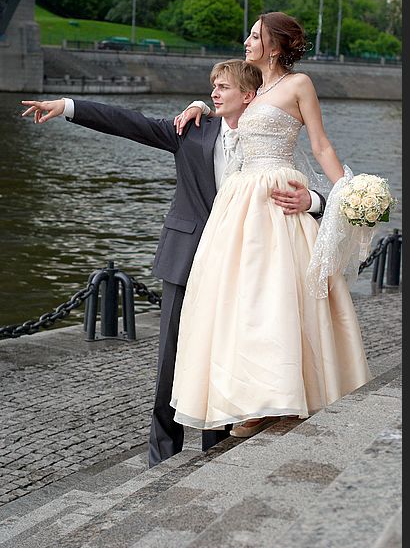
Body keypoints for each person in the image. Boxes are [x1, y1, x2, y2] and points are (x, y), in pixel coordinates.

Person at [21, 59, 325, 464]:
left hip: (244, 268)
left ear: (251, 97)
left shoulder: (272, 140)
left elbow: (304, 186)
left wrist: (317, 201)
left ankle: (217, 450)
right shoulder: (191, 129)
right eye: (212, 87)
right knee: (171, 360)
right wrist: (68, 106)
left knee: (225, 356)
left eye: (223, 87)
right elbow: (130, 122)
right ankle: (162, 456)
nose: (214, 93)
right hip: (188, 258)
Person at [169, 12, 372, 438]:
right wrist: (200, 104)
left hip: (278, 194)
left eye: (256, 35)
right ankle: (252, 399)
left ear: (275, 47)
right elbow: (230, 102)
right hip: (239, 203)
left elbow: (320, 144)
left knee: (279, 296)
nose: (247, 40)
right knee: (237, 301)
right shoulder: (251, 85)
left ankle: (285, 395)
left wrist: (348, 194)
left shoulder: (298, 85)